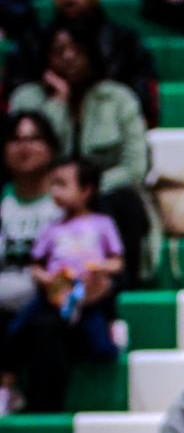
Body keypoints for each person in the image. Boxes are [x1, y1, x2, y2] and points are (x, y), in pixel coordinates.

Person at [8, 22, 152, 283]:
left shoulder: (118, 99)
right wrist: (58, 105)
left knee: (121, 201)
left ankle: (116, 285)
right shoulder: (28, 99)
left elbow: (135, 167)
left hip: (105, 195)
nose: (68, 57)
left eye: (76, 49)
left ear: (91, 54)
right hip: (48, 193)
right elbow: (37, 158)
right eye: (59, 50)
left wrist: (86, 190)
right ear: (46, 56)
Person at [0, 156, 123, 413]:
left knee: (102, 346)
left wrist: (98, 268)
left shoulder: (102, 224)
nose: (54, 191)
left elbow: (117, 263)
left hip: (89, 295)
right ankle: (6, 387)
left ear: (86, 190)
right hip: (54, 296)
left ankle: (114, 330)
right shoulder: (52, 228)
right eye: (52, 184)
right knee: (17, 328)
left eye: (62, 184)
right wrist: (45, 278)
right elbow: (36, 264)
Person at [3, 0, 159, 124]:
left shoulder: (126, 43)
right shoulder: (31, 42)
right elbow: (16, 96)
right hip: (45, 129)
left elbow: (142, 100)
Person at [0, 109, 60, 342]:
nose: (24, 147)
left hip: (48, 303)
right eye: (15, 140)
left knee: (46, 324)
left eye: (34, 139)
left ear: (51, 148)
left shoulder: (65, 204)